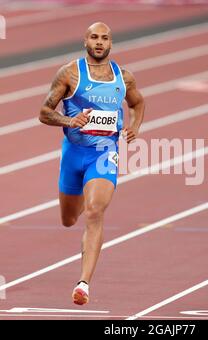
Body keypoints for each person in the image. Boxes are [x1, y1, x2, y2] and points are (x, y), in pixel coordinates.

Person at [39, 22, 145, 305]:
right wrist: (68, 120)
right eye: (94, 37)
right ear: (85, 40)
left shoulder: (124, 78)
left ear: (111, 43)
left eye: (105, 38)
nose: (99, 42)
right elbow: (44, 112)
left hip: (104, 153)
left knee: (95, 211)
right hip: (73, 154)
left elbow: (137, 103)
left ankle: (84, 283)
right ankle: (74, 219)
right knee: (69, 219)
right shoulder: (70, 73)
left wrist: (135, 126)